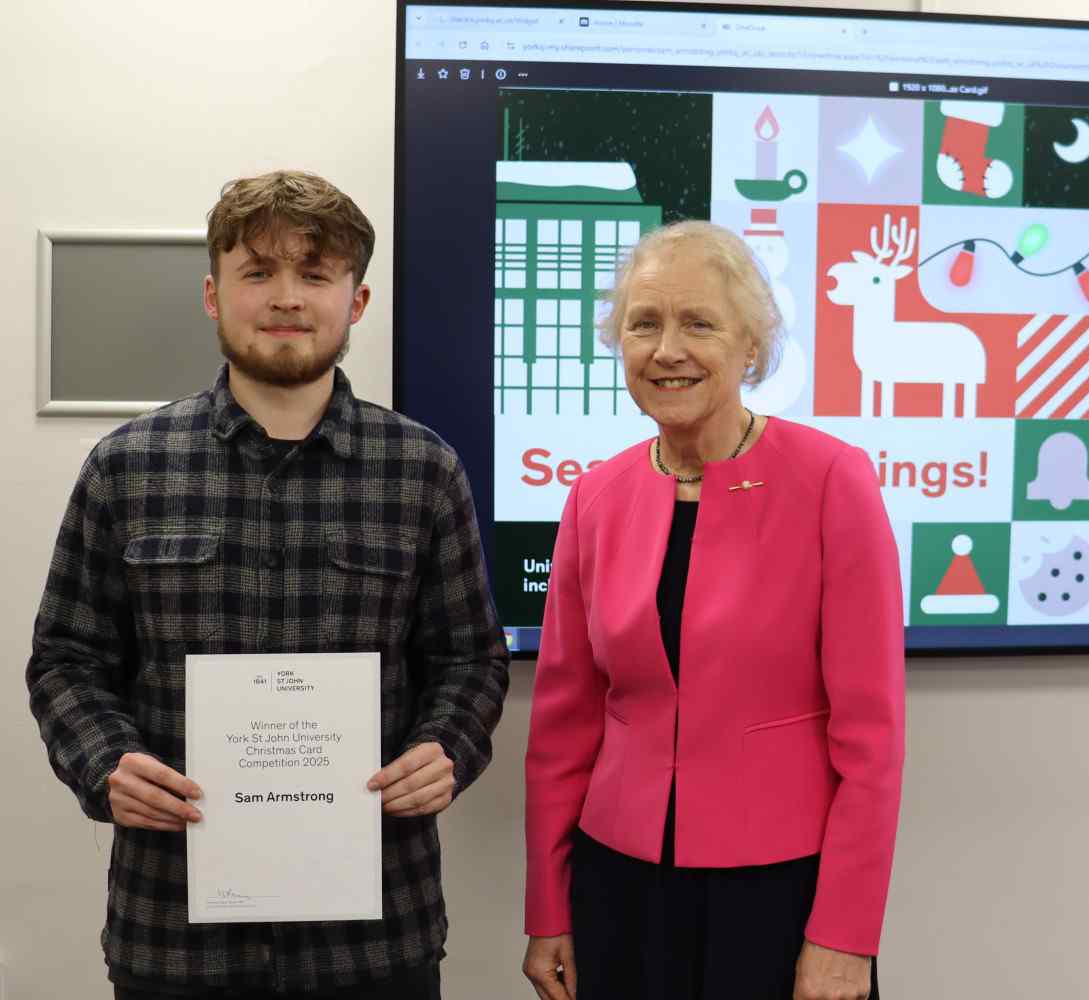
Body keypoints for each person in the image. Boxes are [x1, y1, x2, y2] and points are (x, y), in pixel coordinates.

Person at [25, 170, 510, 999]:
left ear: (355, 301)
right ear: (214, 294)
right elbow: (65, 660)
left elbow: (471, 659)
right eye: (258, 272)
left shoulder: (424, 470)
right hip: (174, 935)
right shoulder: (126, 466)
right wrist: (105, 762)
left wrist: (447, 751)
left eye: (315, 273)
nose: (286, 297)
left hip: (376, 938)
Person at [521, 220, 906, 1000]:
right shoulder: (595, 496)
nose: (668, 350)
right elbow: (563, 723)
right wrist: (548, 909)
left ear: (753, 347)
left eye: (699, 322)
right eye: (645, 324)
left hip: (780, 893)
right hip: (619, 887)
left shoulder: (835, 481)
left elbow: (872, 739)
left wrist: (845, 936)